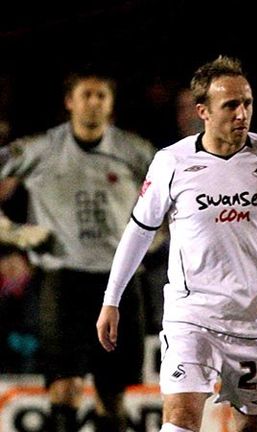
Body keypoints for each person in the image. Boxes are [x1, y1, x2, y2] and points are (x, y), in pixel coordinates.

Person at [96, 55, 257, 432]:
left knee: (255, 425)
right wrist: (112, 299)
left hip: (255, 317)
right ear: (202, 111)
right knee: (180, 417)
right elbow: (140, 230)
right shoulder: (171, 162)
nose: (242, 114)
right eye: (231, 105)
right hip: (191, 316)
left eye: (248, 103)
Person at [0, 67, 155, 431]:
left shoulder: (136, 152)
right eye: (86, 95)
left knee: (112, 396)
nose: (94, 103)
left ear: (112, 104)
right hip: (62, 278)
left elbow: (177, 197)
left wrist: (160, 237)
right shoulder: (39, 148)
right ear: (70, 102)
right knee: (65, 389)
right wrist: (11, 232)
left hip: (120, 281)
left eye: (102, 96)